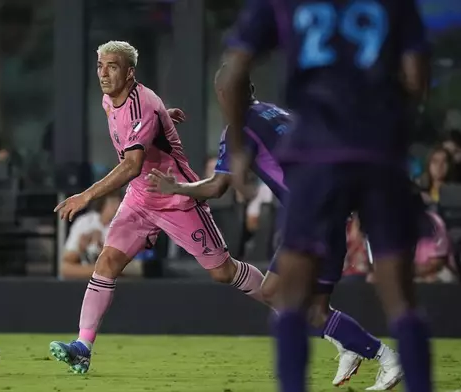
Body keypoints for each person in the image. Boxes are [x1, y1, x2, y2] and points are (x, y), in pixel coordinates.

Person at [219, 0, 431, 391]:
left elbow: (233, 73)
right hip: (379, 154)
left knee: (290, 299)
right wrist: (393, 127)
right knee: (401, 297)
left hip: (317, 157)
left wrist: (235, 149)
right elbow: (417, 73)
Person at [147, 71, 400, 390]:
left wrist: (176, 187)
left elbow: (216, 187)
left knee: (275, 294)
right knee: (317, 309)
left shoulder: (239, 129)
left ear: (225, 96)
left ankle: (384, 356)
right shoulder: (278, 112)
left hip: (310, 217)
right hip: (332, 208)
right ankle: (349, 344)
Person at [48, 40, 267, 374]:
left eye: (113, 66)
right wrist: (165, 116)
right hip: (139, 199)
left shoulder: (142, 106)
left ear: (130, 71)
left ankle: (284, 301)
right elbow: (139, 123)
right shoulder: (112, 99)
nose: (104, 74)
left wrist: (86, 195)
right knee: (106, 262)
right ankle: (82, 346)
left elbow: (132, 164)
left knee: (223, 272)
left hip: (176, 197)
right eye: (100, 66)